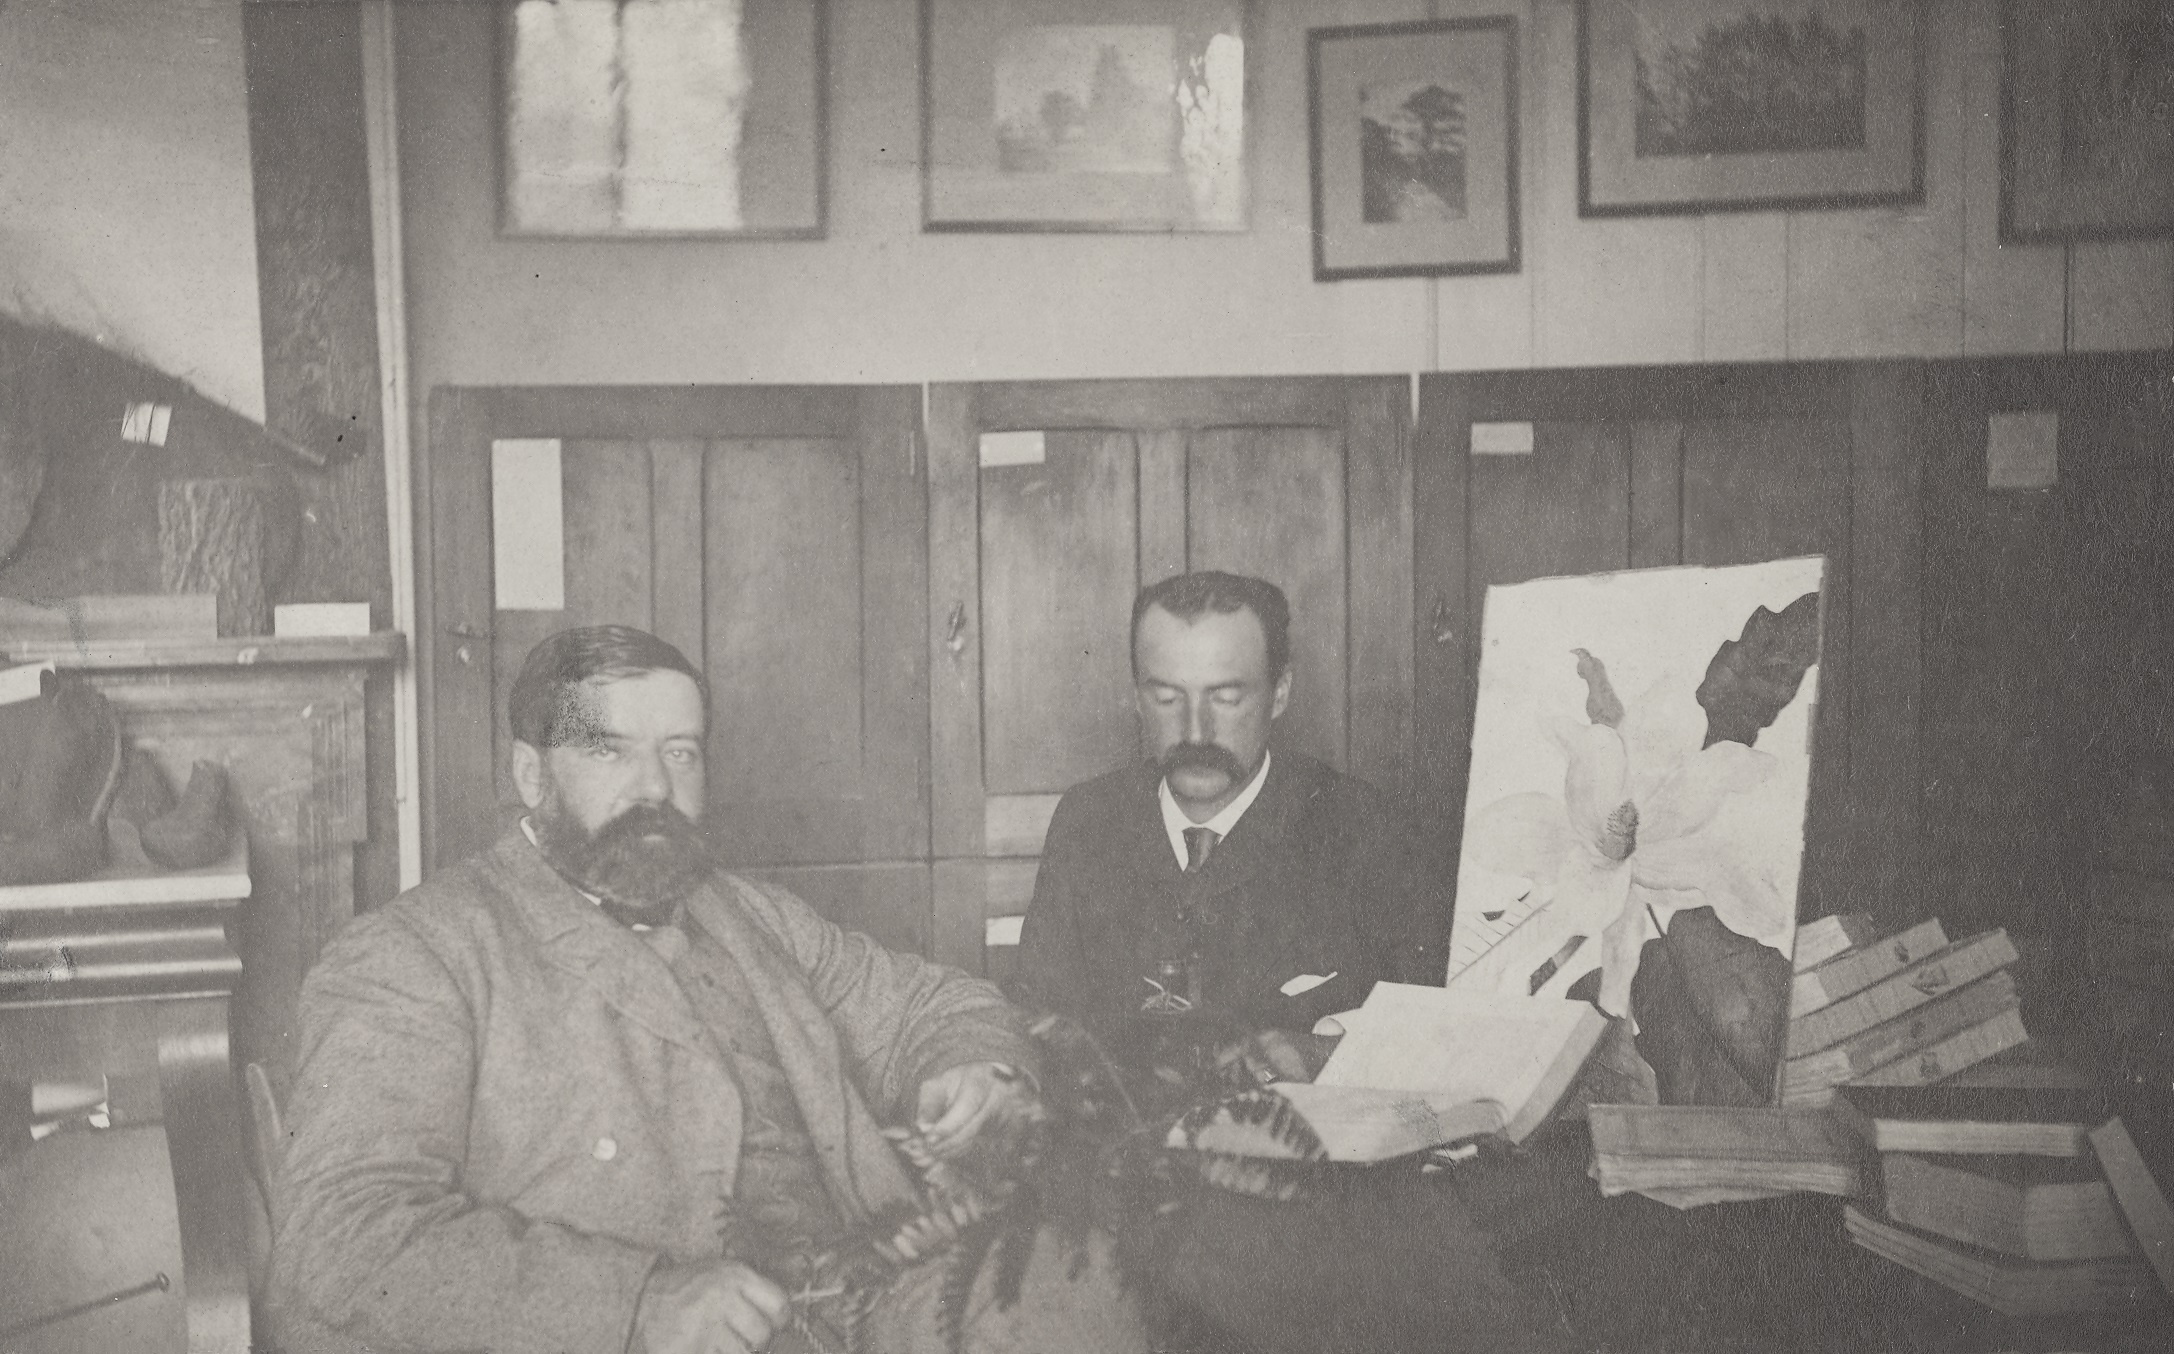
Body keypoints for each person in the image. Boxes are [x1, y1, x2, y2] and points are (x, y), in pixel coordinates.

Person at [270, 626, 1147, 1354]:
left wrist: (973, 1071)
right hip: (642, 1336)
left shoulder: (745, 911)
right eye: (610, 752)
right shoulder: (418, 953)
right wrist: (638, 1304)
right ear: (532, 776)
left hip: (862, 1296)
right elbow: (347, 1232)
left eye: (681, 754)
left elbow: (932, 1006)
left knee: (1088, 1289)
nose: (656, 788)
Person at [1016, 570, 1446, 1077]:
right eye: (1167, 697)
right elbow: (1039, 1026)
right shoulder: (1088, 821)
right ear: (1135, 696)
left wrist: (1321, 1056)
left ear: (1280, 692)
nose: (1196, 730)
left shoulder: (1363, 829)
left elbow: (1428, 1043)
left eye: (1225, 696)